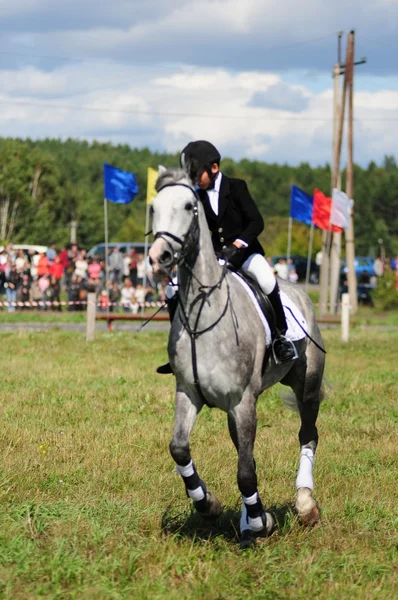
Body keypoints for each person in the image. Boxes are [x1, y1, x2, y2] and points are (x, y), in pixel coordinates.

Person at [157, 140, 297, 374]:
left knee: (266, 280)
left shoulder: (237, 187)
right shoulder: (195, 196)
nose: (192, 178)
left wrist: (237, 244)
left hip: (245, 254)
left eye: (195, 172)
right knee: (172, 288)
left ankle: (280, 338)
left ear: (213, 168)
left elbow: (256, 222)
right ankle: (178, 348)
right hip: (213, 258)